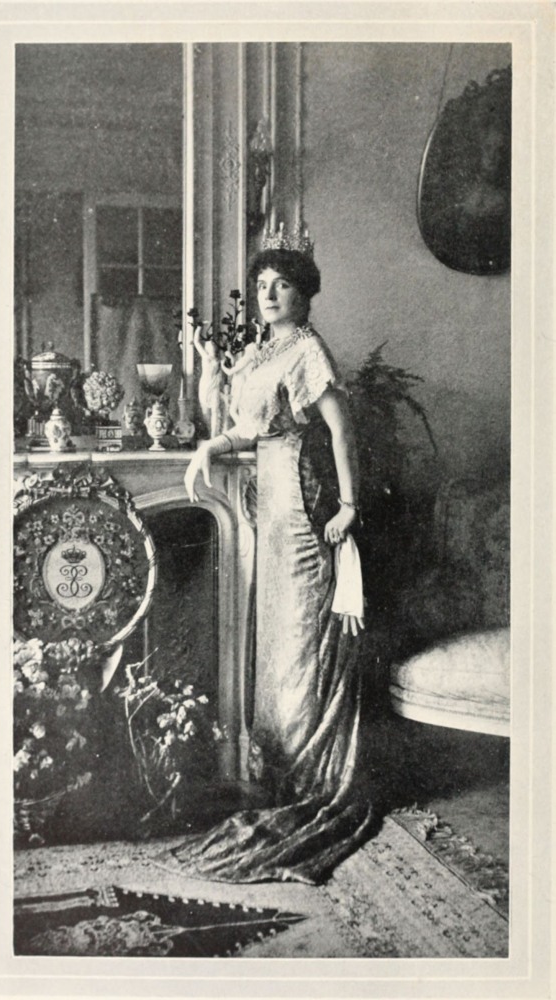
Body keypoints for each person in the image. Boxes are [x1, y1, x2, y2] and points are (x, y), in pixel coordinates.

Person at [157, 228, 373, 884]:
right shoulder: (260, 352)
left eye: (282, 285)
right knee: (274, 639)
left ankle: (313, 777)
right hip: (269, 505)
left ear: (304, 295)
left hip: (303, 503)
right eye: (261, 286)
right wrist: (208, 447)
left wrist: (349, 505)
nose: (269, 294)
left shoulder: (306, 349)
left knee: (301, 637)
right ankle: (279, 774)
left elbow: (339, 428)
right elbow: (244, 427)